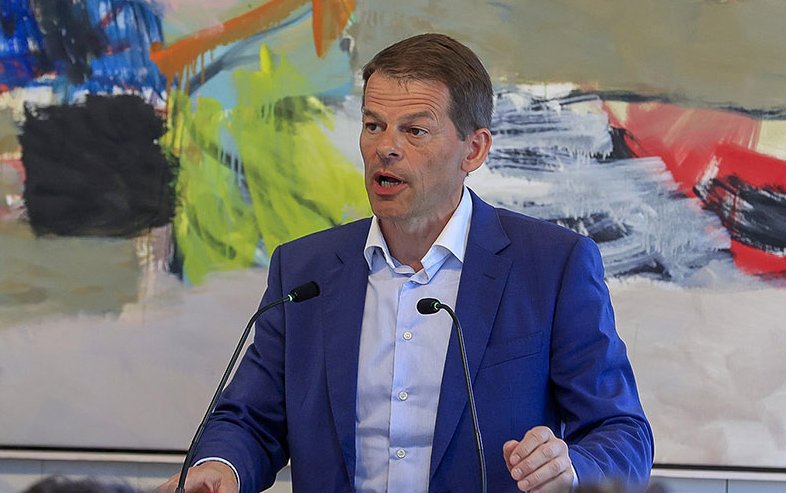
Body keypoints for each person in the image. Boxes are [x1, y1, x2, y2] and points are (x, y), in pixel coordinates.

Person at [158, 33, 653, 493]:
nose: (385, 147)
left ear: (474, 149)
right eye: (373, 125)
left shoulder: (552, 266)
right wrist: (220, 468)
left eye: (414, 130)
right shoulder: (305, 270)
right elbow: (250, 419)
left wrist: (571, 468)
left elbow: (622, 432)